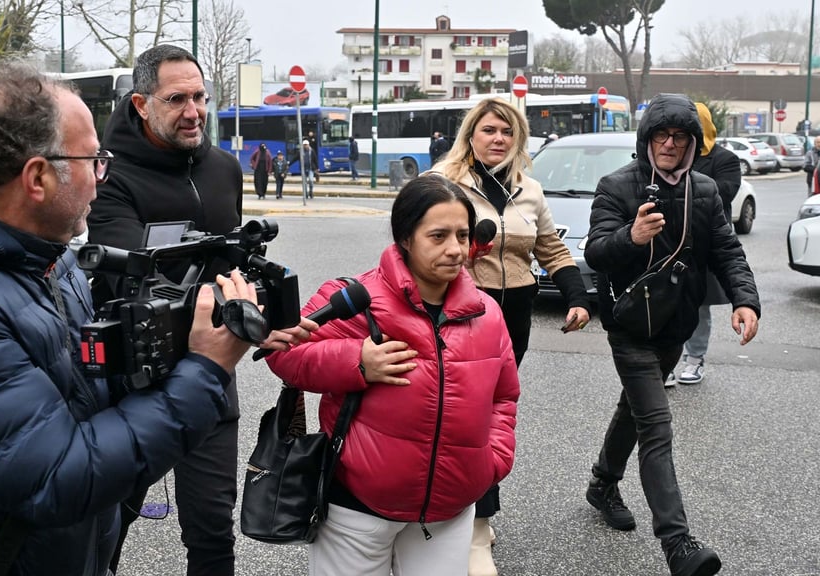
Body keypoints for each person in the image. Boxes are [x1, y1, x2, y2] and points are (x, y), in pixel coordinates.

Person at [0, 62, 275, 576]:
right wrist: (206, 369)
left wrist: (173, 344)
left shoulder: (43, 257)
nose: (102, 179)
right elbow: (60, 478)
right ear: (37, 177)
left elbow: (81, 394)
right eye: (94, 161)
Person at [266, 173, 520, 576]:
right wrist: (357, 361)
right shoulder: (355, 299)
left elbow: (503, 396)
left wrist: (492, 461)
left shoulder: (487, 312)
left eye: (462, 235)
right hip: (356, 509)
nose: (455, 250)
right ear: (405, 237)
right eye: (438, 236)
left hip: (450, 513)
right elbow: (285, 354)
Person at [585, 93, 759, 576]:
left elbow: (726, 250)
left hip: (676, 324)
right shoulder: (617, 185)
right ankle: (678, 545)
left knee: (635, 410)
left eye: (680, 136)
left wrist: (745, 300)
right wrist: (631, 236)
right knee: (656, 425)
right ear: (647, 139)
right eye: (661, 135)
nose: (669, 144)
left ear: (692, 143)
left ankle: (602, 482)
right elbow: (595, 251)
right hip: (629, 325)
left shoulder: (704, 189)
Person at [86, 44, 244, 576]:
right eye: (176, 99)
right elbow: (133, 276)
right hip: (133, 378)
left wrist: (256, 316)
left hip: (212, 369)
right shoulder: (108, 175)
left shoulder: (224, 168)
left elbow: (231, 264)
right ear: (141, 104)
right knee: (107, 525)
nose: (193, 111)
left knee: (213, 529)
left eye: (200, 97)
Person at [431, 97, 590, 576]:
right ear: (470, 135)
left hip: (514, 315)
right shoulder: (442, 182)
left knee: (492, 413)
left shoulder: (529, 189)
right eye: (489, 130)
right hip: (459, 312)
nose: (498, 139)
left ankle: (470, 513)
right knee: (466, 414)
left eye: (507, 131)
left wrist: (577, 296)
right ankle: (475, 527)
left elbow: (551, 248)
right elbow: (414, 243)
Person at [665, 103, 742, 387]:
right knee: (665, 303)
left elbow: (723, 193)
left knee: (698, 305)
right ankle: (666, 361)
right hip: (670, 242)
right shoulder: (672, 154)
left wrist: (680, 186)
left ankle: (695, 358)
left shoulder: (725, 159)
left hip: (704, 245)